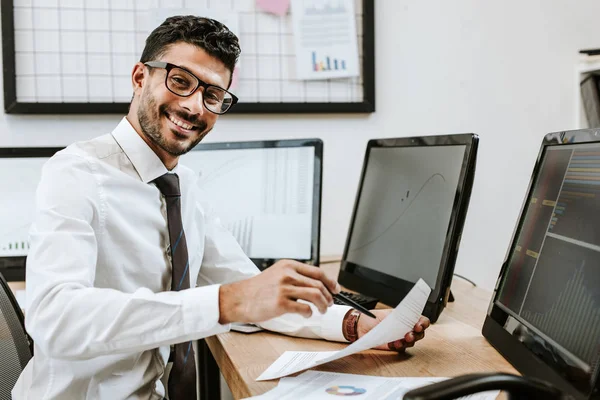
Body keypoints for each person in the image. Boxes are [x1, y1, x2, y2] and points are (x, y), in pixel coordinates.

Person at [13, 15, 429, 399]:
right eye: (180, 82)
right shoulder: (76, 173)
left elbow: (253, 293)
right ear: (140, 77)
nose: (195, 106)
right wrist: (224, 301)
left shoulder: (183, 186)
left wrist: (355, 326)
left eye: (212, 95)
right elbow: (54, 320)